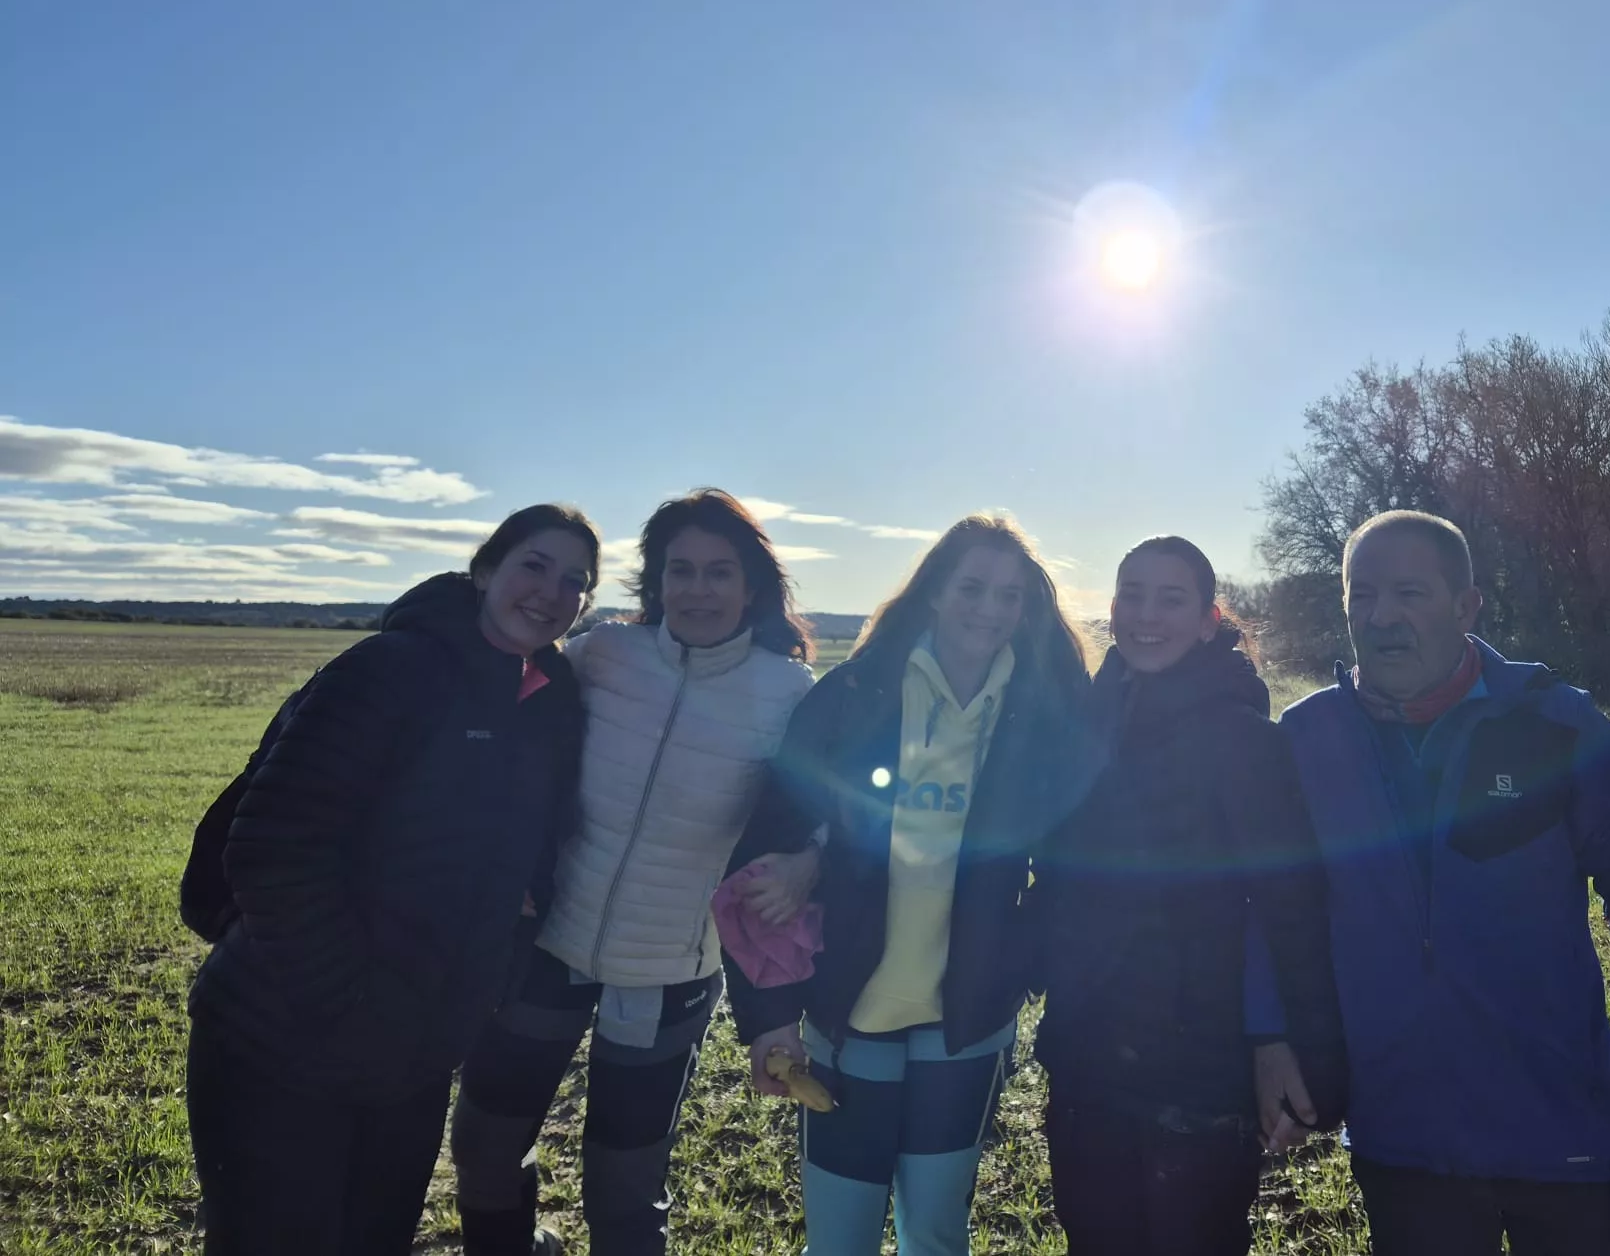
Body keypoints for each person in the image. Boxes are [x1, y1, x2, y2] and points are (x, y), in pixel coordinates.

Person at [1247, 510, 1610, 1256]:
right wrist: (1268, 1036)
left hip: (1559, 1121)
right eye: (1361, 596)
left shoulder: (1555, 724)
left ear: (1467, 607)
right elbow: (1269, 899)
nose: (1382, 616)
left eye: (1410, 593)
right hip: (1399, 1131)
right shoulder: (1305, 738)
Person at [185, 504, 599, 1256]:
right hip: (278, 1035)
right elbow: (272, 850)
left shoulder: (541, 703)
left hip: (412, 1050)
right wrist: (348, 1003)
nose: (551, 590)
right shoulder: (391, 669)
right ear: (484, 571)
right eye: (534, 564)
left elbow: (515, 845)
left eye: (576, 581)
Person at [450, 489, 819, 1256]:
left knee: (622, 1187)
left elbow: (830, 815)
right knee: (485, 1144)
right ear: (654, 583)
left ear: (752, 585)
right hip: (548, 947)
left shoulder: (788, 694)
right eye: (678, 571)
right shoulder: (603, 655)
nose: (697, 590)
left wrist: (808, 862)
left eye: (719, 573)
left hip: (668, 974)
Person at [724, 515, 1092, 1256]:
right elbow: (773, 841)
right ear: (932, 593)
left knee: (934, 1230)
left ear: (1028, 611)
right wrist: (767, 1013)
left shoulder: (1045, 719)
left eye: (1009, 595)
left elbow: (1075, 859)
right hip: (847, 1013)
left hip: (966, 1023)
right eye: (972, 587)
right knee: (840, 1237)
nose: (989, 608)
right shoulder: (853, 694)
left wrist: (1024, 961)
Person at [1033, 536, 1347, 1256]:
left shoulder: (1240, 738)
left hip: (1199, 1067)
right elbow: (1058, 879)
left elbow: (1290, 904)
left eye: (1171, 599)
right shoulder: (1090, 722)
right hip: (1088, 1053)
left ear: (1209, 620)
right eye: (1131, 595)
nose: (1146, 614)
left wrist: (1298, 1052)